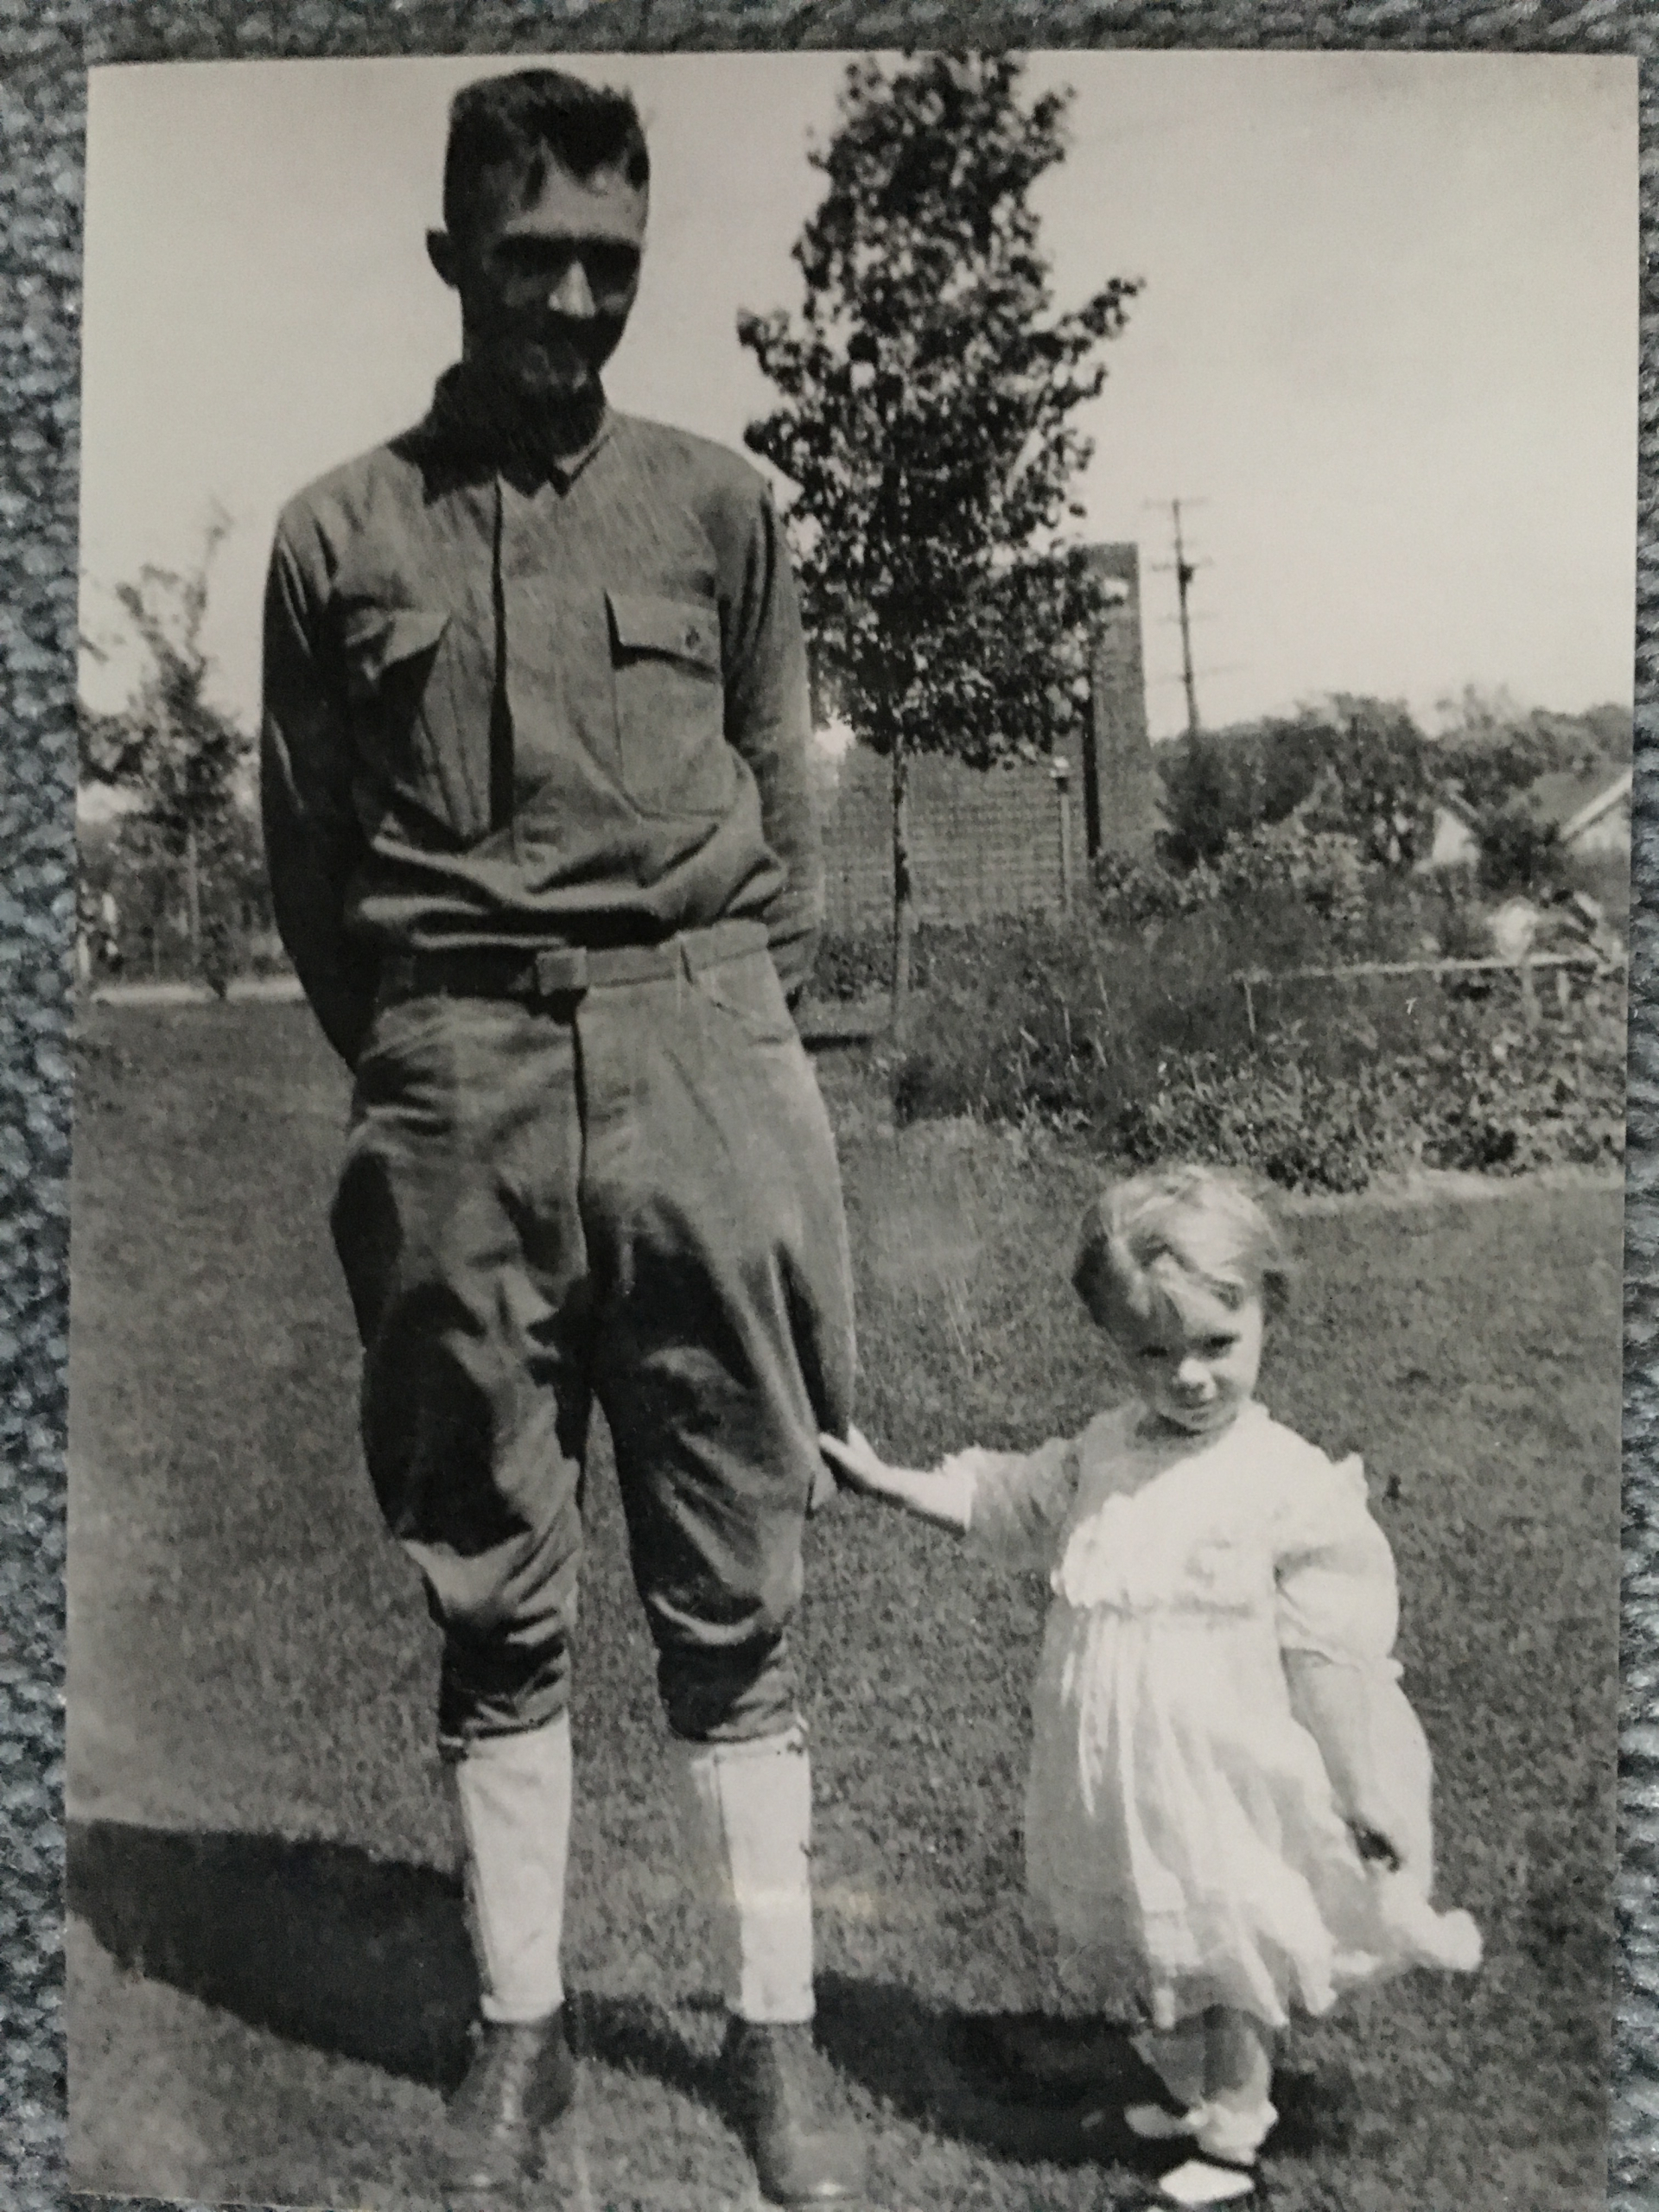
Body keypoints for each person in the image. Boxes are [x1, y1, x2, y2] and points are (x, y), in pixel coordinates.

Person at [261, 67, 863, 2208]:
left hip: (702, 1057)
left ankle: (772, 2039)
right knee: (487, 1575)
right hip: (457, 1094)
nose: (581, 302)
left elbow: (784, 814)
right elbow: (308, 852)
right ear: (452, 260)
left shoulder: (720, 503)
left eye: (615, 262)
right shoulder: (342, 533)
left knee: (741, 1568)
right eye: (538, 261)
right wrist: (428, 1056)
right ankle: (521, 2028)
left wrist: (718, 1030)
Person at [822, 1164, 1480, 2209]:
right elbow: (1010, 1499)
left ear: (1268, 1311)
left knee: (1231, 1935)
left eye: (1217, 1346)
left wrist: (1362, 1787)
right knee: (1160, 1916)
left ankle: (1229, 2145)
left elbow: (1329, 1656)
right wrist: (895, 1481)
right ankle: (1188, 2091)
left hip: (1226, 1765)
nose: (1189, 1379)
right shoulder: (1104, 1452)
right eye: (1154, 1352)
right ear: (1116, 1345)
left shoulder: (1288, 1485)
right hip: (1130, 1766)